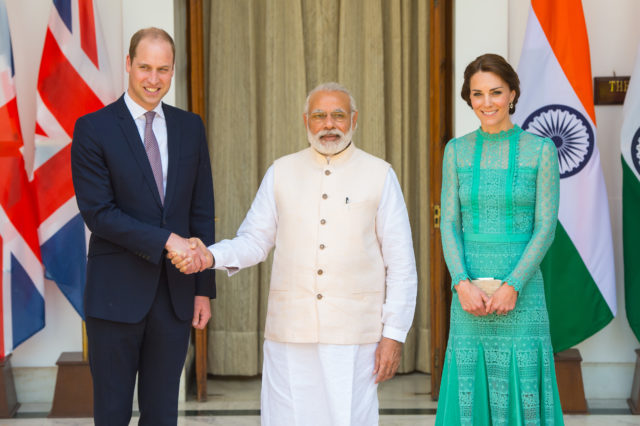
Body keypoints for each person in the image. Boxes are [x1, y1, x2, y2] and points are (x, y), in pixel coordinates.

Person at [170, 82, 417, 425]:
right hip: (289, 332)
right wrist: (209, 256)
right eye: (319, 115)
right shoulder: (281, 172)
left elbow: (402, 264)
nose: (329, 124)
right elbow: (254, 240)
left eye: (338, 115)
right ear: (306, 121)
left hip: (354, 335)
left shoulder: (380, 174)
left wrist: (394, 334)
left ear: (354, 120)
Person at [70, 27, 215, 426]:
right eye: (146, 67)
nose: (154, 79)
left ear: (174, 71)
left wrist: (203, 289)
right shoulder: (93, 128)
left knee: (163, 413)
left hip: (175, 297)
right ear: (129, 65)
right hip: (114, 297)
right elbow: (99, 213)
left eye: (164, 69)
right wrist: (167, 239)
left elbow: (201, 211)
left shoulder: (190, 127)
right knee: (113, 413)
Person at [435, 53, 564, 424]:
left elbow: (545, 226)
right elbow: (450, 224)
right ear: (469, 98)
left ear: (512, 93)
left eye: (495, 92)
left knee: (521, 385)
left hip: (521, 295)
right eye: (477, 94)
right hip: (469, 293)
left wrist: (513, 286)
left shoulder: (541, 150)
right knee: (469, 385)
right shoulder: (455, 151)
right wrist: (461, 284)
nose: (486, 103)